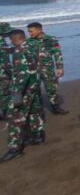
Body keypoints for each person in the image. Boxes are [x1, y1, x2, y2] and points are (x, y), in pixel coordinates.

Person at [1, 29, 44, 163]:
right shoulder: (32, 46)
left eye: (11, 40)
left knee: (14, 118)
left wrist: (16, 94)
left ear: (16, 39)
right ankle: (38, 137)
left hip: (24, 90)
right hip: (34, 87)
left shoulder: (20, 52)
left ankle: (15, 149)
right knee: (34, 112)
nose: (10, 43)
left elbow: (22, 75)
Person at [26, 22, 68, 115]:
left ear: (39, 30)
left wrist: (60, 68)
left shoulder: (50, 39)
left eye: (31, 31)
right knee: (34, 90)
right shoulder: (28, 42)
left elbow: (57, 54)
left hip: (47, 69)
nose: (30, 33)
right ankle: (37, 109)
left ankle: (55, 107)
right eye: (29, 32)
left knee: (51, 89)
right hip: (33, 71)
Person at [0, 22, 14, 121]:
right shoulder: (1, 41)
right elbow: (5, 61)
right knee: (5, 92)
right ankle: (5, 113)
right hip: (2, 73)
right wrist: (12, 74)